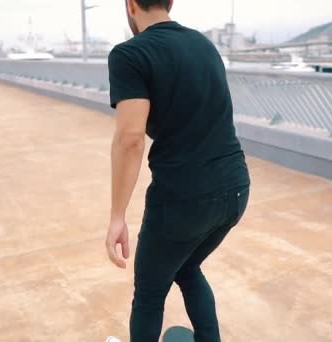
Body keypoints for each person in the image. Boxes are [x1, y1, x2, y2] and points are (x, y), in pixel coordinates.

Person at [105, 0, 251, 341]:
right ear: (171, 2)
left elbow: (129, 139)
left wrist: (117, 217)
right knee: (186, 266)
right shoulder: (204, 45)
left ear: (130, 5)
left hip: (184, 201)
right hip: (236, 189)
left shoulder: (130, 55)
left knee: (149, 295)